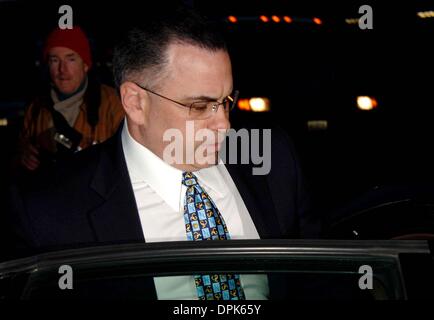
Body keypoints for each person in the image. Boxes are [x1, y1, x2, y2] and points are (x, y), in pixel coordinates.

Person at [9, 7, 320, 299]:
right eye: (200, 106)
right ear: (135, 102)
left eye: (226, 100)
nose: (224, 124)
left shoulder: (274, 159)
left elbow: (321, 280)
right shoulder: (48, 210)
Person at [16, 26, 124, 172]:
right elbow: (17, 157)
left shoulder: (113, 104)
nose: (62, 69)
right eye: (54, 60)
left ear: (85, 65)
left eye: (71, 59)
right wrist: (22, 155)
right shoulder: (35, 109)